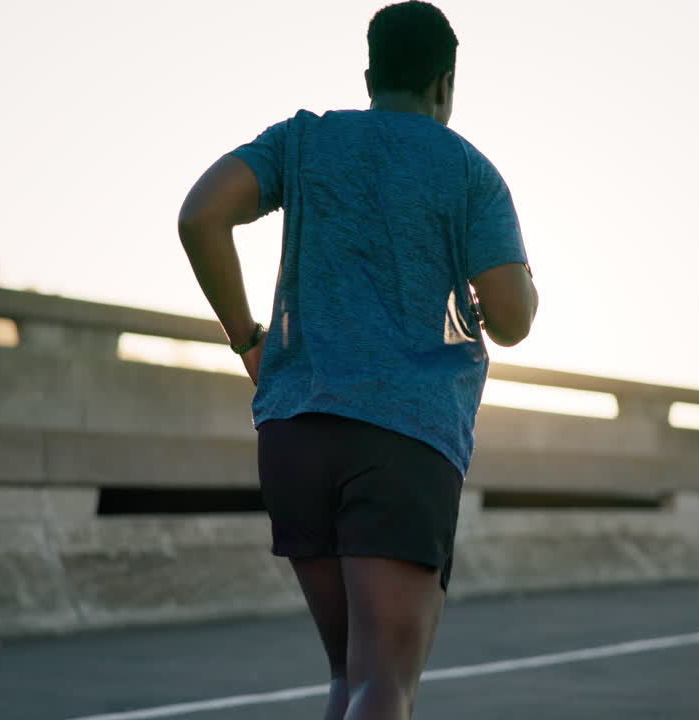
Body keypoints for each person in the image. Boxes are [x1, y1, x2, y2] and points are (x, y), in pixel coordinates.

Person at [177, 2, 537, 718]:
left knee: (348, 674)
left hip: (295, 433)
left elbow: (201, 214)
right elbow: (512, 320)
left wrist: (248, 339)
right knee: (385, 681)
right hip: (403, 438)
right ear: (446, 81)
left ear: (370, 73)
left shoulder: (304, 142)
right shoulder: (468, 172)